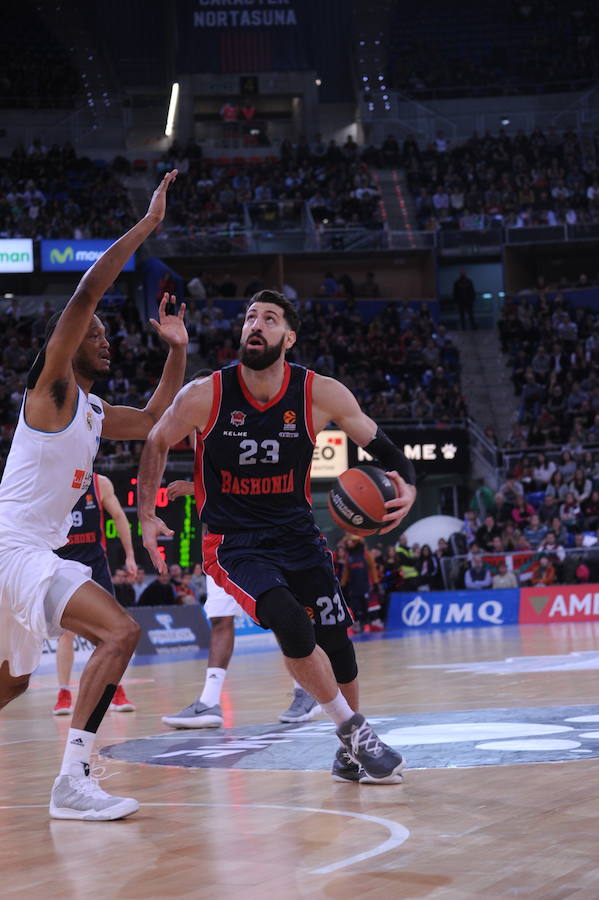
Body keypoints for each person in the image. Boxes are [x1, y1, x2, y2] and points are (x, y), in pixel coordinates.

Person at [138, 289, 416, 785]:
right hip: (235, 542)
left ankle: (349, 757)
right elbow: (157, 440)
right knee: (290, 621)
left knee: (337, 641)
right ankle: (354, 731)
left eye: (269, 318)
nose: (255, 325)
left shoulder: (319, 392)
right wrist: (144, 513)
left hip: (298, 536)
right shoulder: (205, 394)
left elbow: (377, 440)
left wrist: (408, 484)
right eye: (249, 317)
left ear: (288, 336)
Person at [0, 170, 187, 821]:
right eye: (97, 334)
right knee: (120, 631)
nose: (106, 340)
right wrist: (146, 227)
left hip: (20, 554)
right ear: (68, 341)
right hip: (15, 550)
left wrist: (177, 352)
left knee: (14, 681)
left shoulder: (93, 411)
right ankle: (73, 780)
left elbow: (158, 418)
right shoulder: (51, 392)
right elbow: (86, 291)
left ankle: (73, 779)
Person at [161, 477, 321, 727]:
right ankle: (209, 703)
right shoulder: (201, 444)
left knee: (282, 614)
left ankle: (306, 691)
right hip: (220, 544)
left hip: (260, 540)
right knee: (220, 619)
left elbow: (249, 484)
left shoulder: (243, 441)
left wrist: (194, 488)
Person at [53, 473, 137, 716]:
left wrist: (130, 555)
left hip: (95, 567)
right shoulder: (53, 481)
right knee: (66, 634)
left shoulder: (100, 483)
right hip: (63, 566)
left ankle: (115, 690)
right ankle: (63, 693)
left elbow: (120, 516)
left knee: (113, 633)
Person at [340, 534, 379, 634]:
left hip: (365, 585)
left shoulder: (366, 554)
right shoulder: (349, 556)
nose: (349, 543)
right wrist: (342, 585)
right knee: (355, 606)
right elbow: (346, 572)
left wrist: (375, 583)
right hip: (353, 586)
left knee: (366, 606)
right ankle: (357, 623)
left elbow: (373, 569)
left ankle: (366, 623)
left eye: (351, 541)